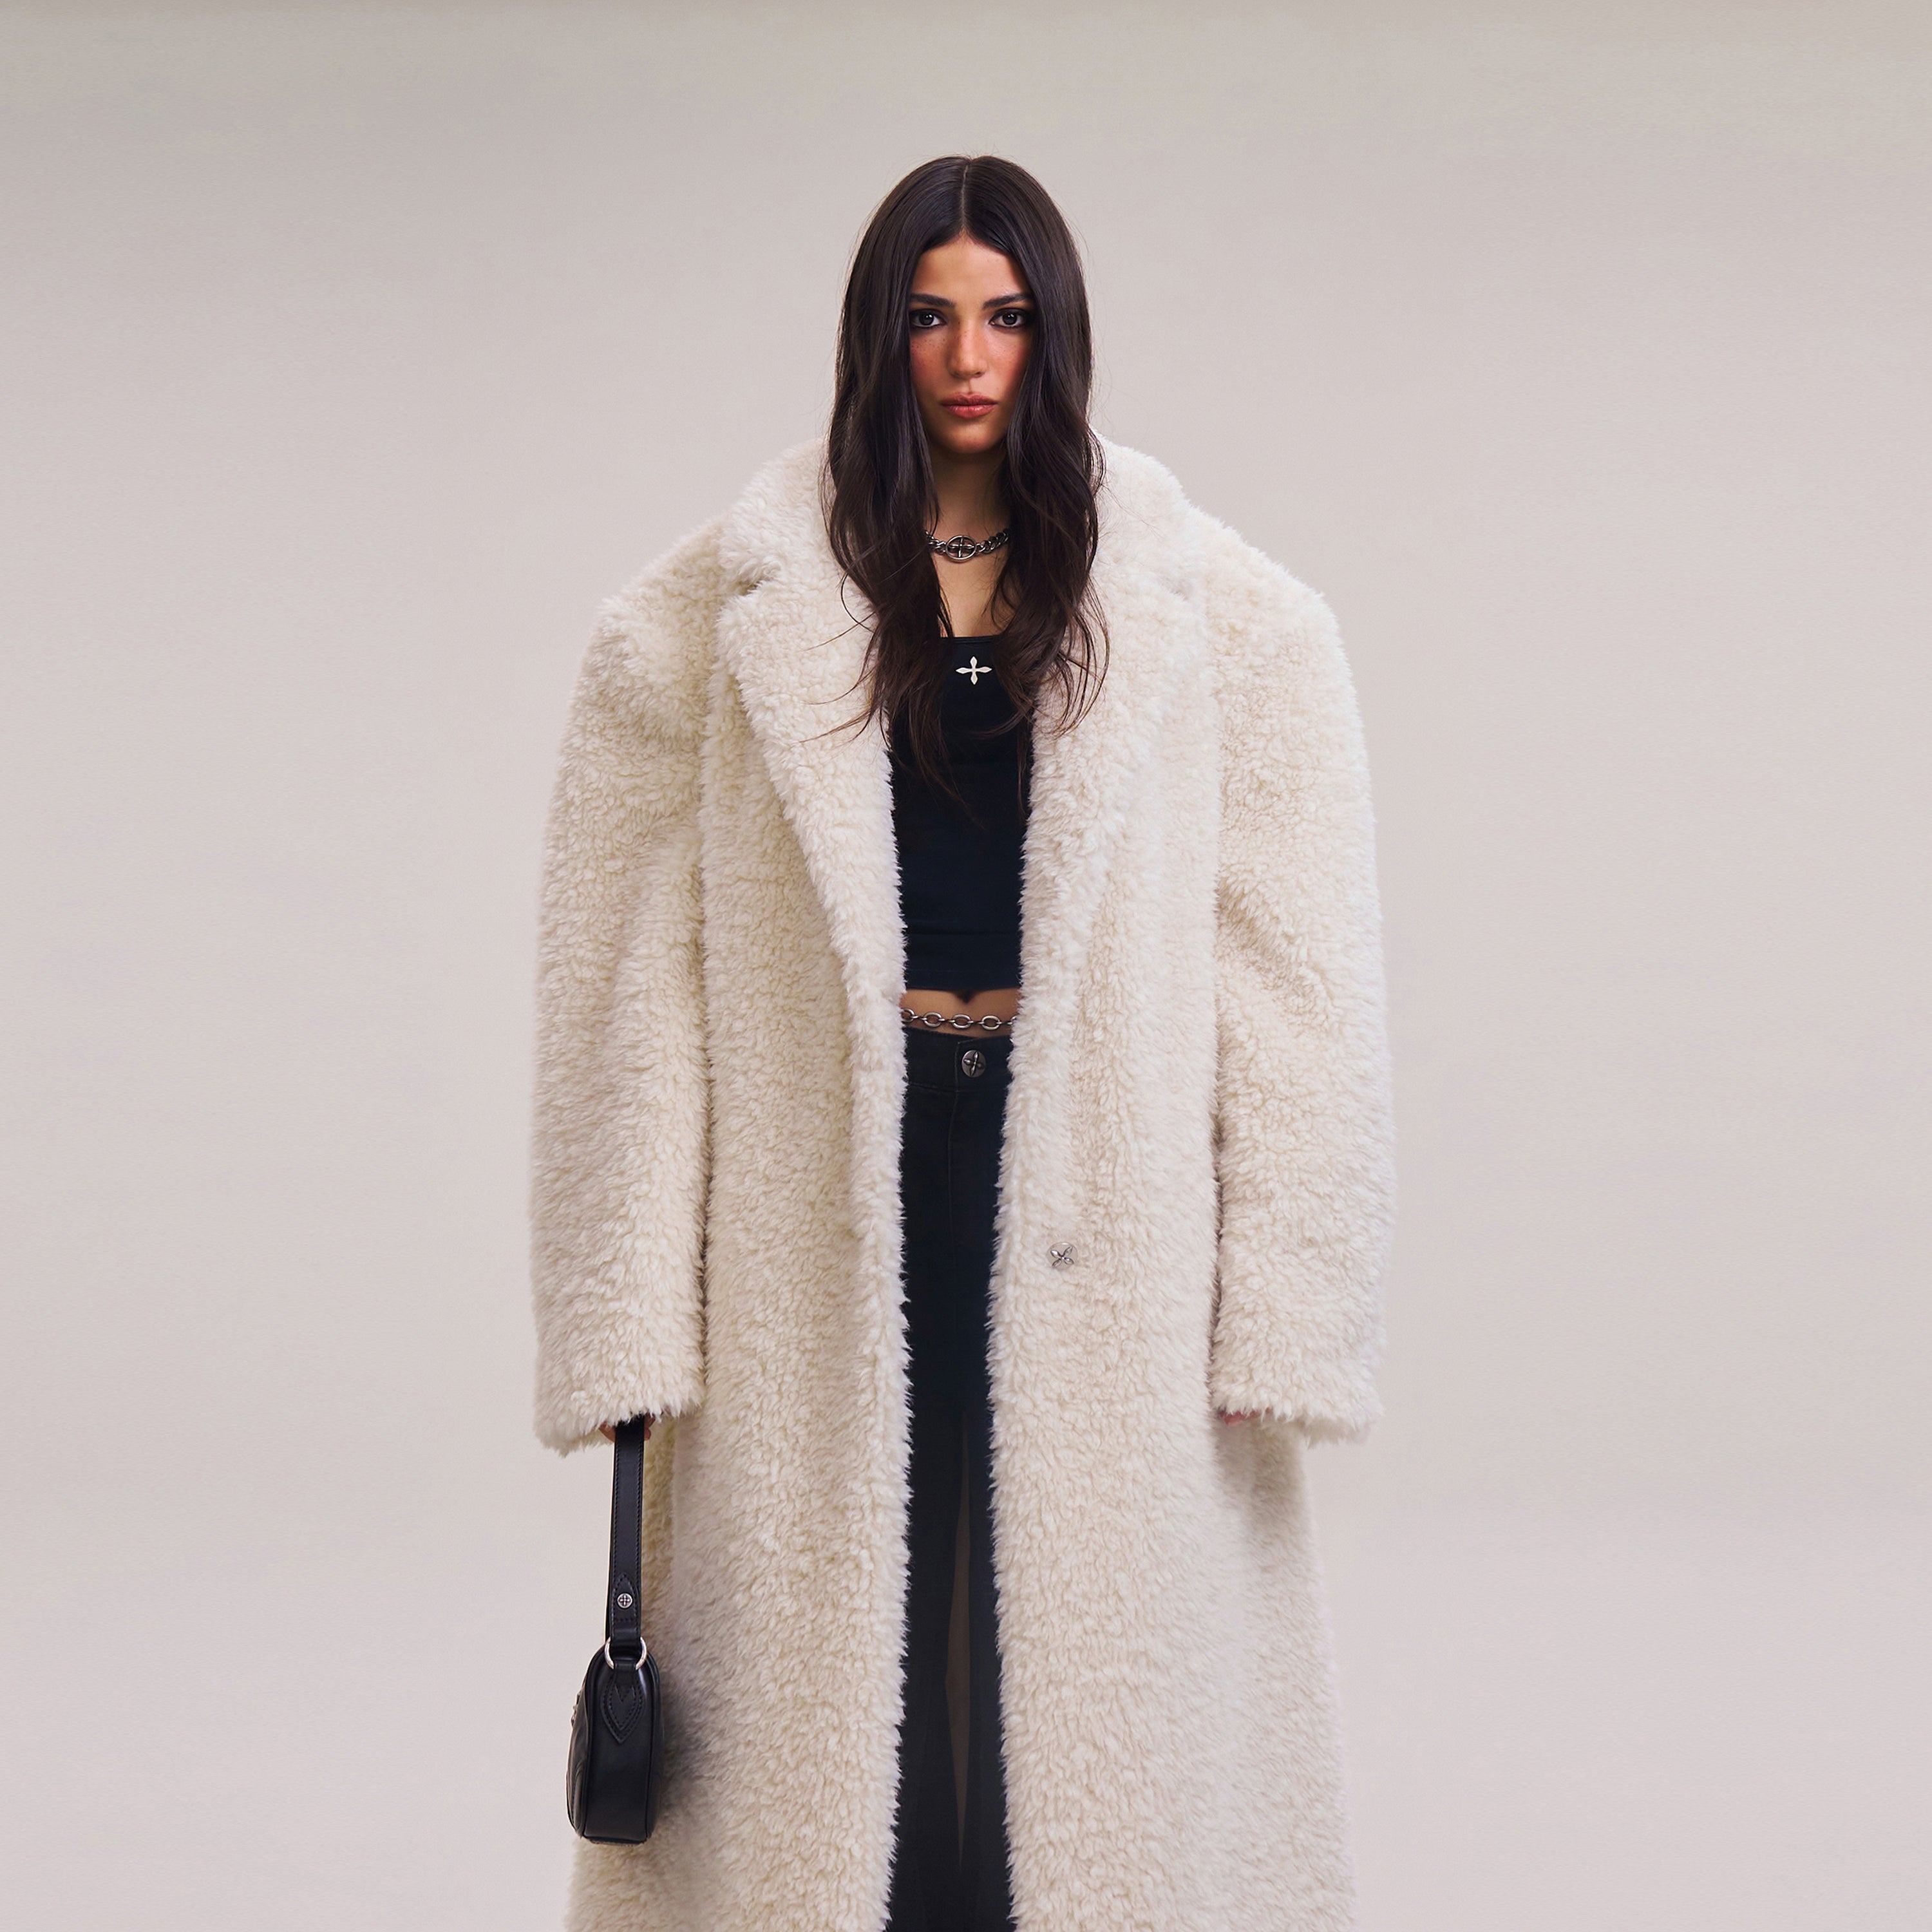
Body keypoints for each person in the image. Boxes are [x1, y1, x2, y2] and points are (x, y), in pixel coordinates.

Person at [531, 155, 1394, 1932]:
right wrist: (624, 1308)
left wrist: (1288, 1297)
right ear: (879, 335)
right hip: (826, 1186)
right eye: (930, 317)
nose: (969, 356)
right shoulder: (712, 620)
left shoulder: (1224, 622)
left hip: (1103, 1192)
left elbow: (1298, 982)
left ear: (1055, 333)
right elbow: (628, 991)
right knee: (844, 1643)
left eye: (1004, 316)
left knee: (1077, 1654)